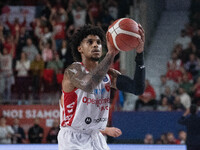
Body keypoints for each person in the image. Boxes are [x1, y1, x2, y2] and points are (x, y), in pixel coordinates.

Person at [58, 24, 145, 150]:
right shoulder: (73, 71)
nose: (95, 45)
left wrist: (140, 53)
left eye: (99, 42)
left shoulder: (108, 75)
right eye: (90, 42)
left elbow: (137, 88)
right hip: (73, 138)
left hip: (95, 137)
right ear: (80, 48)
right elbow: (89, 84)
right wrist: (111, 54)